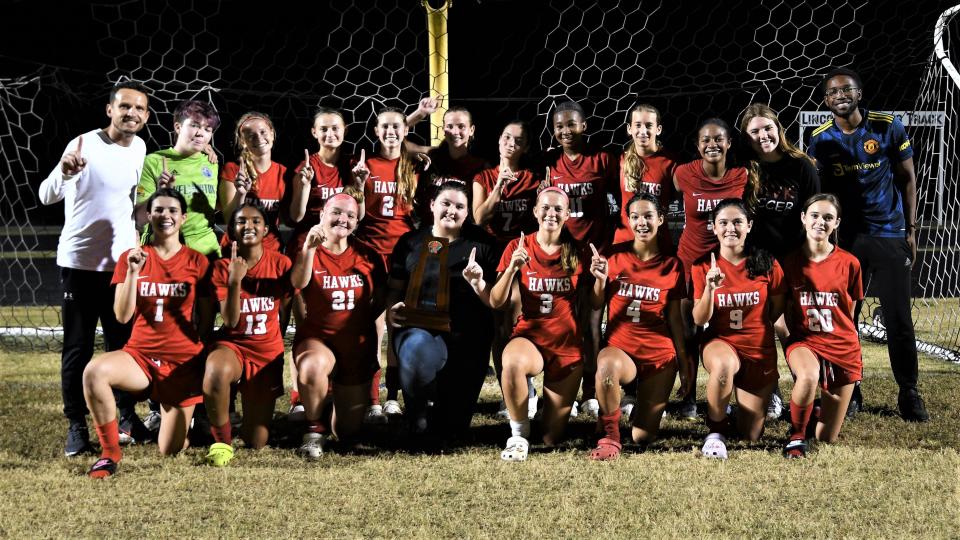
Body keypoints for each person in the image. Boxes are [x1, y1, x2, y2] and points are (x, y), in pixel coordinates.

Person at [807, 66, 928, 422]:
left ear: (859, 94)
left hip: (890, 235)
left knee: (899, 319)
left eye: (846, 90)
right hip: (847, 241)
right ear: (826, 100)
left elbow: (908, 179)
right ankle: (851, 389)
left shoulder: (888, 125)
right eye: (832, 92)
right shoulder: (821, 138)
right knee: (845, 319)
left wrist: (911, 230)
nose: (840, 96)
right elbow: (821, 193)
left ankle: (909, 392)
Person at [38, 80, 152, 456]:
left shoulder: (140, 148)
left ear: (146, 115)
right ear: (109, 110)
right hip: (80, 265)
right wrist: (66, 171)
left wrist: (148, 209)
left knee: (123, 346)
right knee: (78, 348)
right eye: (124, 107)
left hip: (120, 266)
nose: (131, 113)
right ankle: (76, 425)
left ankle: (125, 416)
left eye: (139, 108)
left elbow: (130, 206)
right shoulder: (83, 144)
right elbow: (46, 194)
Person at [81, 189, 210, 478]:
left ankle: (184, 421)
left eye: (173, 210)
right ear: (148, 216)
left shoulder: (198, 262)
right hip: (140, 357)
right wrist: (132, 273)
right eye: (159, 210)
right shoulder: (133, 257)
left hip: (181, 364)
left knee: (169, 450)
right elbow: (122, 315)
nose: (166, 216)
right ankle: (110, 452)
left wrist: (194, 360)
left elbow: (205, 318)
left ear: (183, 218)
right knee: (94, 372)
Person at [386, 182, 498, 441]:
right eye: (445, 203)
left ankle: (445, 398)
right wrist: (393, 310)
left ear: (468, 213)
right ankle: (418, 409)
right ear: (432, 205)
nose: (451, 210)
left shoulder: (483, 245)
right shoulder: (411, 242)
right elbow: (394, 289)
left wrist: (479, 282)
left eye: (459, 206)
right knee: (416, 352)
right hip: (420, 330)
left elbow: (498, 297)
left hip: (467, 338)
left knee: (453, 430)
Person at [587, 193, 690, 460]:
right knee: (607, 366)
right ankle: (610, 434)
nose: (641, 222)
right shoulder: (613, 256)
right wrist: (599, 280)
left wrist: (684, 363)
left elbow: (676, 320)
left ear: (661, 219)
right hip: (622, 348)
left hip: (659, 354)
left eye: (647, 216)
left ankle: (618, 408)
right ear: (628, 221)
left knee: (642, 436)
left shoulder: (672, 264)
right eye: (635, 217)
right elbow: (596, 302)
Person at [739, 103, 821, 419]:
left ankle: (807, 392)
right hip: (759, 262)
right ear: (747, 137)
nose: (763, 135)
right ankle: (770, 393)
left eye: (767, 128)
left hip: (795, 260)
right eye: (755, 131)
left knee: (796, 330)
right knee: (762, 329)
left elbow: (816, 217)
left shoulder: (803, 166)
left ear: (779, 128)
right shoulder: (746, 169)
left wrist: (818, 261)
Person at [290, 193, 387, 458]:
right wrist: (309, 249)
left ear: (357, 221)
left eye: (350, 215)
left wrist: (363, 320)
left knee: (346, 433)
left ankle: (333, 404)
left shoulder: (369, 255)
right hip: (318, 338)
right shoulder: (307, 246)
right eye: (336, 212)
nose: (342, 219)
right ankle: (313, 429)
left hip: (355, 343)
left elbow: (382, 296)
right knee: (312, 366)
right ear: (322, 213)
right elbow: (297, 284)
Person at [491, 187, 585, 461]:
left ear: (568, 214)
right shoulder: (518, 246)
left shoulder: (577, 250)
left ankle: (547, 408)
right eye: (545, 207)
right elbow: (497, 301)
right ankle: (518, 433)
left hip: (566, 344)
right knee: (512, 364)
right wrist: (511, 269)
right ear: (535, 211)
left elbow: (593, 303)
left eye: (558, 209)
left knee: (551, 437)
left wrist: (600, 280)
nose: (551, 213)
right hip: (530, 337)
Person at [202, 204, 295, 466]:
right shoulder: (222, 266)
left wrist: (275, 345)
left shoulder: (281, 263)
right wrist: (234, 282)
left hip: (266, 351)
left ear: (266, 229)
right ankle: (221, 440)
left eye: (256, 221)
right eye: (241, 221)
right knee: (216, 370)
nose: (249, 226)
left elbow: (285, 311)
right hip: (233, 345)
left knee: (257, 440)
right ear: (231, 229)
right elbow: (230, 320)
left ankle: (241, 417)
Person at [691, 198, 785, 460]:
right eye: (723, 222)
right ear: (713, 227)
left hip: (758, 348)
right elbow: (699, 319)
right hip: (722, 343)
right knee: (722, 367)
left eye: (737, 222)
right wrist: (710, 289)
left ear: (749, 226)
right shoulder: (702, 266)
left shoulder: (767, 263)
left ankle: (728, 411)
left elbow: (776, 308)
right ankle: (715, 431)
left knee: (751, 435)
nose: (730, 228)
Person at [672, 118, 752, 419]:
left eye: (719, 139)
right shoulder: (683, 174)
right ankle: (689, 396)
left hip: (730, 263)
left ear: (729, 143)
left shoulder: (742, 175)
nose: (712, 145)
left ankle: (756, 388)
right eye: (705, 140)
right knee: (688, 333)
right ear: (697, 145)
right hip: (690, 261)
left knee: (738, 327)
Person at [545, 100, 620, 418]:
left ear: (584, 126)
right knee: (565, 326)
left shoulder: (603, 160)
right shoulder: (549, 165)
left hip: (595, 257)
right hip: (563, 259)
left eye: (571, 124)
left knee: (591, 325)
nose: (565, 130)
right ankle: (564, 391)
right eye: (559, 125)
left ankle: (590, 390)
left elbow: (626, 198)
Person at [352, 107, 423, 422]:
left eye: (397, 126)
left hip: (403, 256)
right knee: (372, 328)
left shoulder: (413, 166)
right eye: (385, 126)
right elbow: (358, 217)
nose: (391, 131)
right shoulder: (364, 165)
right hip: (370, 254)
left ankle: (393, 397)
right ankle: (371, 399)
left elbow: (418, 216)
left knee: (399, 326)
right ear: (376, 131)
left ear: (405, 130)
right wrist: (358, 187)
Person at [285, 107, 355, 422]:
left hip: (340, 252)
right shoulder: (306, 166)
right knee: (304, 325)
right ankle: (300, 397)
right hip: (309, 248)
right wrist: (303, 184)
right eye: (323, 129)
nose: (330, 135)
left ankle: (335, 387)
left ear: (345, 131)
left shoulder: (352, 166)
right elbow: (297, 216)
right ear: (314, 133)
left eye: (335, 128)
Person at [781, 194, 863, 458]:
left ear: (837, 223)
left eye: (828, 217)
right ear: (803, 218)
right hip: (806, 341)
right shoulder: (788, 263)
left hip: (842, 348)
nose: (820, 222)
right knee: (808, 375)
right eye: (814, 215)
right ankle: (795, 435)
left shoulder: (850, 263)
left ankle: (813, 411)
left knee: (826, 437)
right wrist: (789, 343)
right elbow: (781, 312)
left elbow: (848, 313)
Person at [472, 120, 541, 418]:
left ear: (525, 147)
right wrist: (499, 186)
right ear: (499, 140)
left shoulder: (533, 178)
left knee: (514, 323)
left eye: (518, 140)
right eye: (506, 137)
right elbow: (478, 217)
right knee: (495, 327)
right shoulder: (483, 177)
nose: (511, 143)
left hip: (520, 255)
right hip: (490, 254)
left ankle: (525, 385)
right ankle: (507, 390)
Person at [135, 99, 221, 258]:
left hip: (207, 254)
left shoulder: (212, 163)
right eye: (194, 125)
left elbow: (217, 206)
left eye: (207, 129)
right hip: (162, 253)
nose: (200, 133)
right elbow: (139, 220)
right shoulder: (153, 161)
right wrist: (160, 194)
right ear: (178, 127)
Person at [218, 112, 287, 252]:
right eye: (251, 135)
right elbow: (229, 219)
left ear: (272, 134)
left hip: (271, 251)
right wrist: (240, 194)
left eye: (263, 132)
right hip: (236, 249)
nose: (258, 137)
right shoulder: (232, 170)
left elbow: (289, 219)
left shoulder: (284, 173)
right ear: (243, 141)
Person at [614, 104, 678, 251]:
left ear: (658, 129)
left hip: (658, 245)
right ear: (629, 129)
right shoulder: (619, 162)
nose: (643, 131)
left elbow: (678, 196)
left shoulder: (670, 163)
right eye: (638, 125)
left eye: (649, 125)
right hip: (625, 244)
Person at [411, 103, 488, 222]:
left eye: (461, 126)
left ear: (471, 130)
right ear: (443, 129)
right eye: (450, 126)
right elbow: (395, 142)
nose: (455, 132)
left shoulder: (481, 166)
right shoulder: (431, 156)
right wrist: (420, 113)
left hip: (462, 233)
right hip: (430, 232)